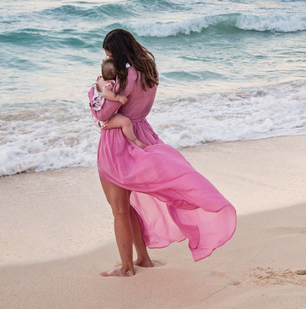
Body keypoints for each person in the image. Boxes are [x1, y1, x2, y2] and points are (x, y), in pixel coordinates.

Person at [88, 28, 236, 277]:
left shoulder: (123, 79)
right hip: (142, 133)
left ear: (118, 52)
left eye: (110, 55)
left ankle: (126, 268)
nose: (110, 61)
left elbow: (102, 113)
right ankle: (143, 258)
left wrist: (94, 90)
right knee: (128, 207)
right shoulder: (148, 73)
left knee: (120, 210)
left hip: (116, 144)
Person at [91, 58, 146, 149]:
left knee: (123, 119)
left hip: (98, 117)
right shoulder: (109, 84)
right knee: (126, 122)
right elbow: (105, 93)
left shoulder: (100, 80)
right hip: (104, 121)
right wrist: (118, 98)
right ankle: (135, 141)